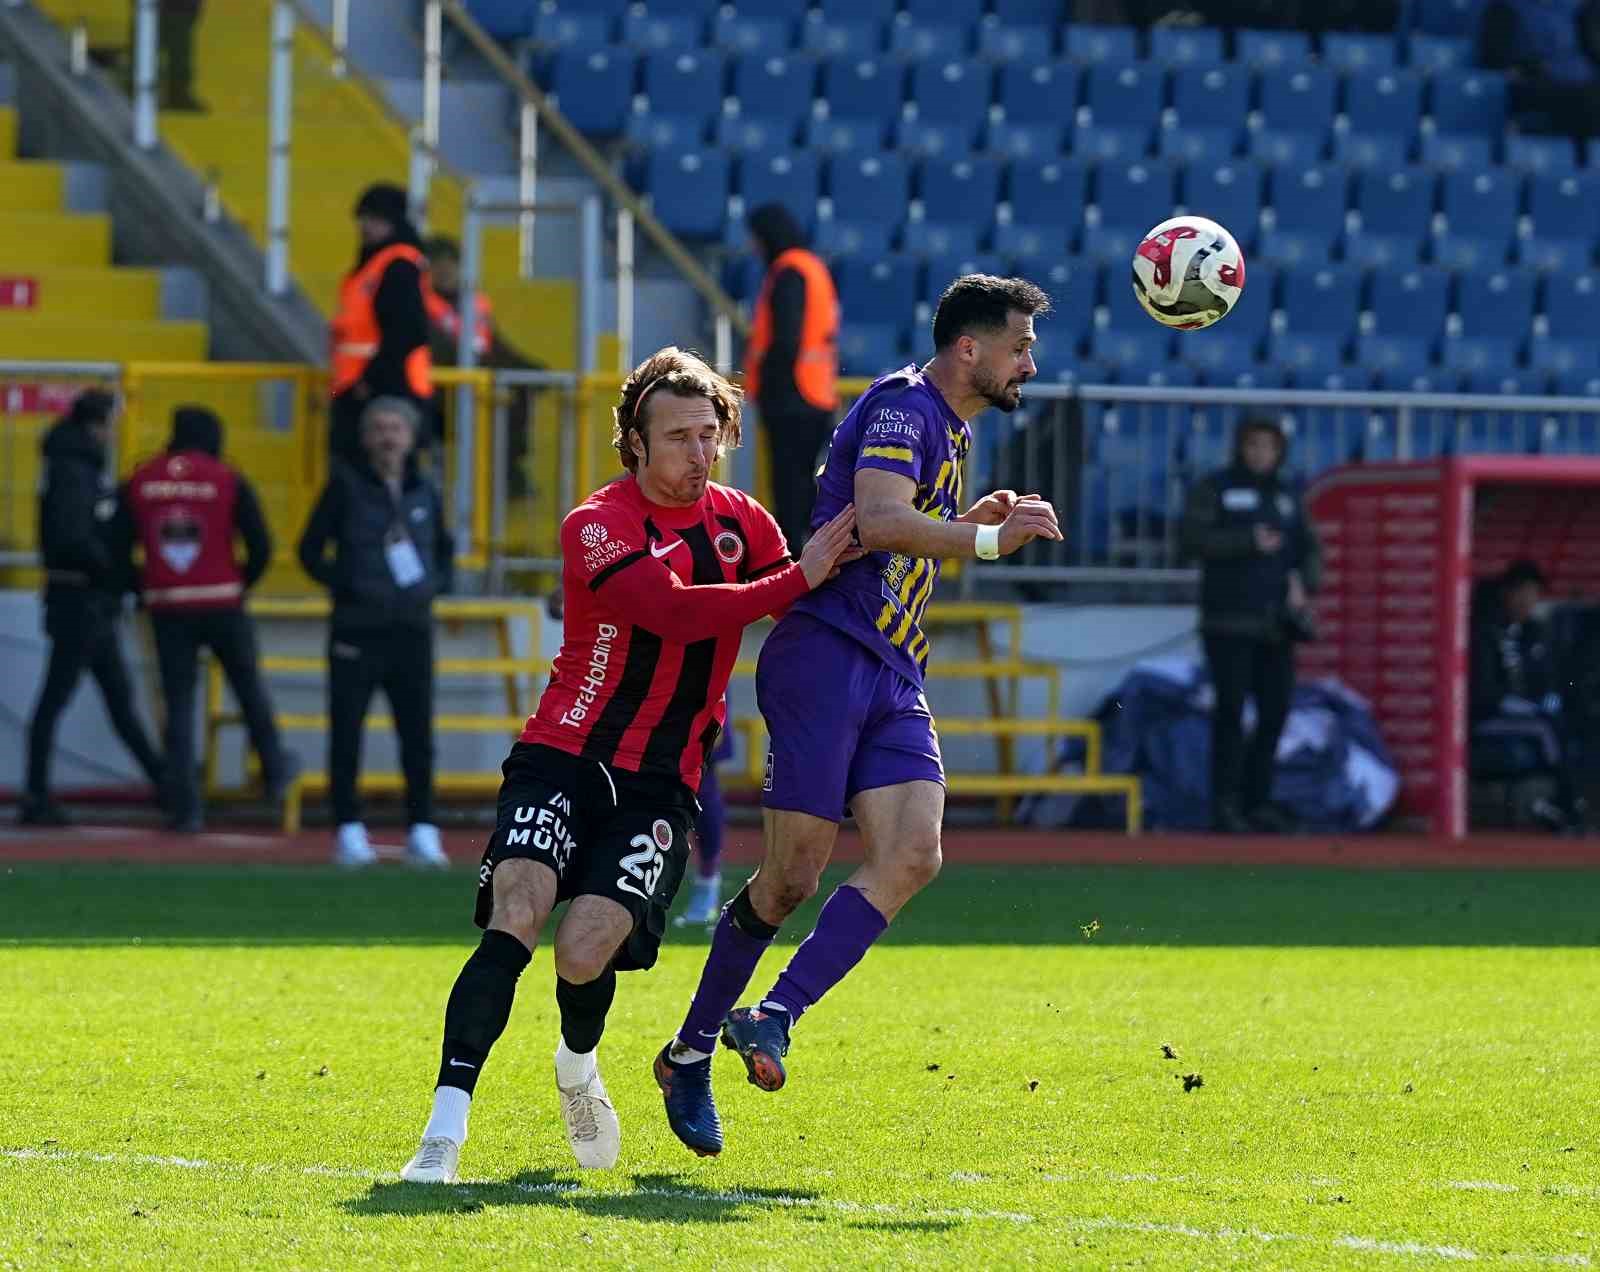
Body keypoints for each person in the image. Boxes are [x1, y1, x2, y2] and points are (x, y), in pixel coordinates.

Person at [395, 346, 861, 1184]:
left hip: (660, 782)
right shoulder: (596, 523)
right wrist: (798, 576)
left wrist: (955, 532)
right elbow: (673, 612)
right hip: (562, 753)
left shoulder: (745, 524)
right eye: (678, 437)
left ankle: (577, 1066)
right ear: (635, 443)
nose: (698, 452)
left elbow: (813, 597)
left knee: (583, 953)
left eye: (709, 434)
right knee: (516, 915)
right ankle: (442, 1131)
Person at [654, 275, 1062, 1160]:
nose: (1029, 364)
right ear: (970, 348)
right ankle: (687, 1054)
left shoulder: (950, 427)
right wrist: (985, 539)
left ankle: (772, 1015)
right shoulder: (902, 406)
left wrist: (966, 520)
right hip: (829, 654)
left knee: (914, 854)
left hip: (892, 668)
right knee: (789, 879)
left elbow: (906, 532)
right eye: (1020, 347)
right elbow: (878, 522)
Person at [112, 406, 295, 832]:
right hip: (222, 601)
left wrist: (141, 586)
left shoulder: (141, 480)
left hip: (168, 606)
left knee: (179, 705)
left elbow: (115, 546)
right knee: (248, 688)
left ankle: (185, 807)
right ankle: (274, 770)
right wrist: (239, 581)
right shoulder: (227, 478)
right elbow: (261, 544)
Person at [297, 396, 453, 869]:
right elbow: (308, 550)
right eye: (380, 429)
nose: (388, 437)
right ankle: (348, 828)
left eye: (396, 429)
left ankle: (423, 829)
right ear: (366, 438)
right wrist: (347, 586)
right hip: (356, 630)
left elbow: (444, 550)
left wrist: (431, 588)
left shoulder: (425, 489)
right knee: (347, 730)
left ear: (410, 437)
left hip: (411, 630)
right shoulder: (344, 486)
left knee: (418, 733)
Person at [22, 389, 165, 825]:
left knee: (113, 699)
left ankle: (166, 783)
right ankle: (36, 795)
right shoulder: (75, 471)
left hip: (85, 600)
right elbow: (76, 538)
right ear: (97, 425)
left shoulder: (71, 467)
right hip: (81, 601)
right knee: (64, 699)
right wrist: (117, 573)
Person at [1179, 416, 1321, 836]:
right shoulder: (1216, 488)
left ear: (1279, 452)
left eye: (1269, 447)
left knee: (1275, 713)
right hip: (1228, 622)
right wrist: (1247, 542)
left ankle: (1258, 801)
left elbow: (1310, 548)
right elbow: (1191, 540)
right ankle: (1224, 804)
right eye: (1254, 445)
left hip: (1277, 625)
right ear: (1241, 448)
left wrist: (1305, 582)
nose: (1261, 454)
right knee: (1230, 714)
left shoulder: (1288, 493)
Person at [744, 203, 839, 553]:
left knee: (790, 489)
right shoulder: (812, 267)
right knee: (804, 485)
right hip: (817, 393)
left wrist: (765, 386)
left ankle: (792, 563)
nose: (754, 246)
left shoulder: (788, 271)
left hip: (792, 395)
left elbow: (786, 339)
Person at [1469, 559, 1586, 830]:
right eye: (1522, 593)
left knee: (1566, 720)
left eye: (1533, 595)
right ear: (1507, 593)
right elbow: (1485, 693)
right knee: (1547, 727)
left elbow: (1549, 681)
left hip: (1529, 715)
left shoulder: (1533, 632)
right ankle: (1567, 803)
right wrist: (1526, 707)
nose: (1527, 601)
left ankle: (1562, 803)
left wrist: (1549, 700)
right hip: (1488, 716)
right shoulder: (1485, 630)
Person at [329, 184, 434, 466]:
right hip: (357, 388)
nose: (365, 226)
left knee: (380, 471)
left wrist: (370, 379)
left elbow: (408, 332)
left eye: (375, 219)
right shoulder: (371, 266)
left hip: (387, 390)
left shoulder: (398, 265)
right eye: (363, 218)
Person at [1480, 0, 1600, 140]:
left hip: (1583, 83)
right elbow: (1494, 59)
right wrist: (1531, 67)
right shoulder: (1504, 7)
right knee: (1591, 102)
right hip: (1537, 84)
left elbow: (1590, 49)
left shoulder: (1573, 9)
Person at [674, 725, 733, 927]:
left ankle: (705, 904)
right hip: (670, 770)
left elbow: (719, 740)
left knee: (710, 836)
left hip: (703, 774)